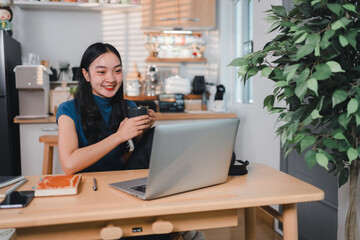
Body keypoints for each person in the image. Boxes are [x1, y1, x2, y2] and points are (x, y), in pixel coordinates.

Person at [57, 42, 156, 175]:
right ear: (86, 75)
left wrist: (144, 127)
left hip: (119, 180)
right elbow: (69, 165)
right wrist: (119, 136)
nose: (111, 79)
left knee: (154, 135)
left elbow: (142, 156)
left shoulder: (128, 107)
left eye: (117, 71)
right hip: (85, 185)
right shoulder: (68, 110)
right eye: (101, 72)